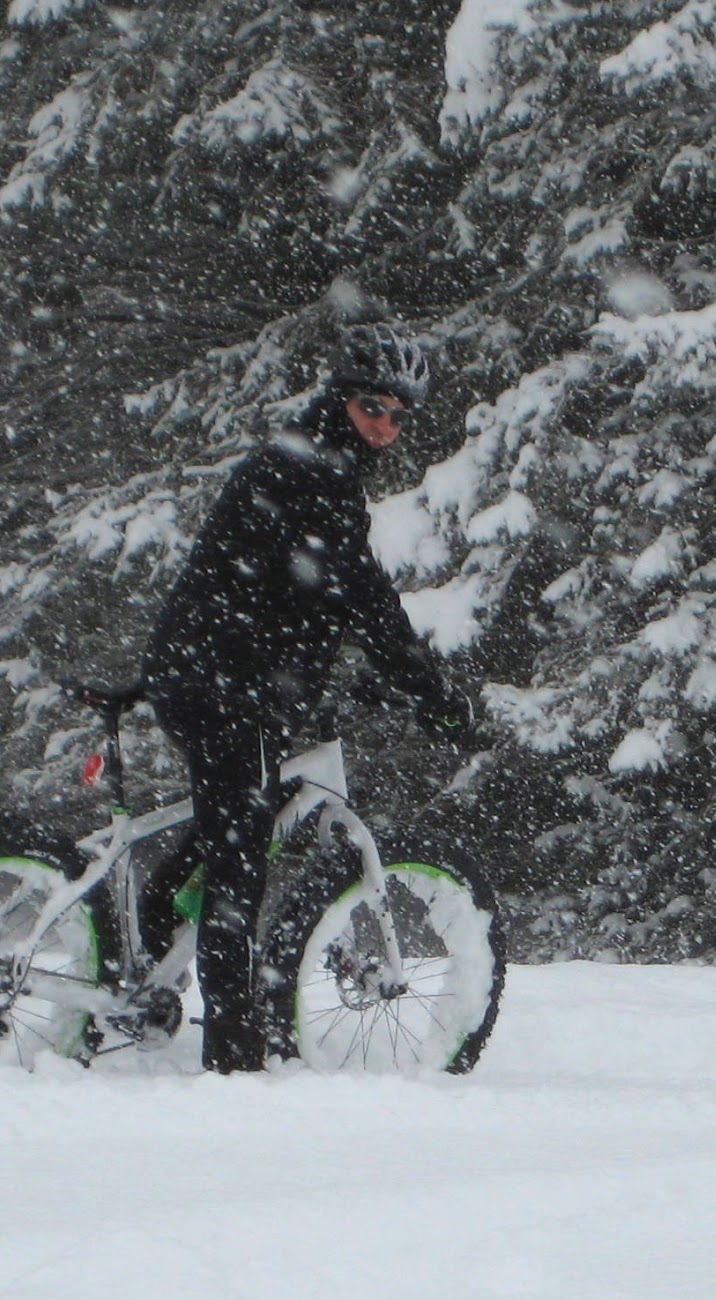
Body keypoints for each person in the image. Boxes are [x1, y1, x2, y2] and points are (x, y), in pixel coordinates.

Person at [141, 323, 475, 1072]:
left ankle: (144, 966)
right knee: (238, 865)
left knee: (229, 817)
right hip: (229, 681)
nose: (386, 424)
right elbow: (363, 598)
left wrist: (338, 668)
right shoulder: (315, 474)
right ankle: (233, 1052)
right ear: (342, 398)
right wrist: (431, 693)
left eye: (399, 413)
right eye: (374, 406)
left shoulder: (299, 458)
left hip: (209, 669)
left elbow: (296, 593)